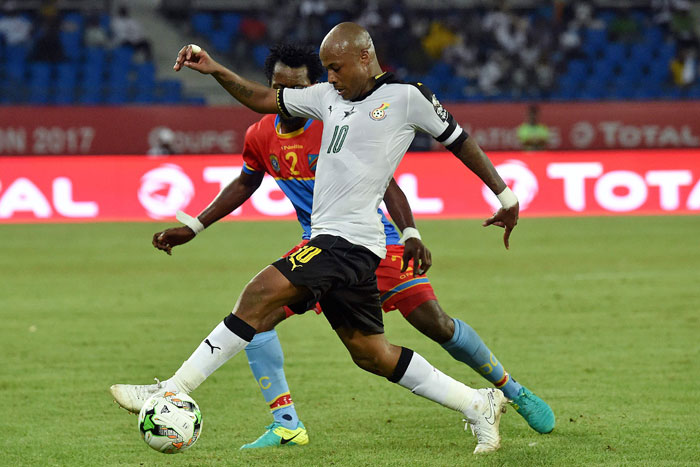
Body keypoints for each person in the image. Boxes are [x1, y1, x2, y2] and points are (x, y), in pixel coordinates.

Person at [111, 23, 526, 454]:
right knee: (371, 353)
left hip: (351, 241)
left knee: (257, 296)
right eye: (326, 69)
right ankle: (478, 403)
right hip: (341, 242)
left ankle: (172, 389)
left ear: (364, 57)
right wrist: (215, 68)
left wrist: (505, 194)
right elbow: (259, 98)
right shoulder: (328, 98)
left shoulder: (407, 98)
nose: (330, 77)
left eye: (335, 68)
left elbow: (460, 142)